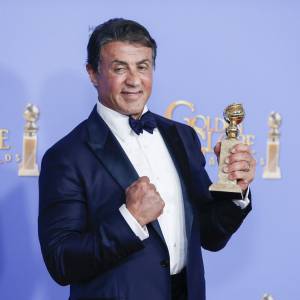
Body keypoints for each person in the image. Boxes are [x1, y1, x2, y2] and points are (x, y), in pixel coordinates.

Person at [38, 18, 256, 300]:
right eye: (119, 68)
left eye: (143, 66)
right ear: (93, 73)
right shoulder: (66, 156)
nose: (134, 80)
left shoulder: (182, 136)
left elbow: (210, 235)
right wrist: (131, 219)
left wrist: (236, 190)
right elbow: (61, 262)